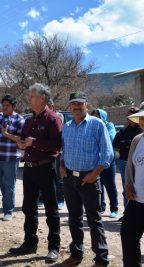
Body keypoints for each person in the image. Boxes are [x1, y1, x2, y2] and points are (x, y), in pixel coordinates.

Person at [9, 84, 62, 263]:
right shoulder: (29, 121)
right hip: (29, 169)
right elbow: (24, 141)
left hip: (46, 168)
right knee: (28, 208)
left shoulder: (53, 119)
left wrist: (34, 143)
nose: (29, 99)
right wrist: (21, 144)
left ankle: (54, 248)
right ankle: (29, 243)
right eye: (29, 96)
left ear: (43, 98)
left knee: (51, 209)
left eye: (32, 96)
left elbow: (56, 146)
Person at [60, 91, 113, 267]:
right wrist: (61, 165)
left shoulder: (97, 125)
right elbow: (64, 150)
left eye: (80, 104)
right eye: (73, 104)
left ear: (86, 105)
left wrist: (95, 173)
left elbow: (107, 153)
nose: (76, 107)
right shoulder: (67, 126)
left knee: (94, 219)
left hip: (89, 179)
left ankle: (101, 258)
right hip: (69, 178)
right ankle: (76, 254)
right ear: (69, 106)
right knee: (74, 218)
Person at [120, 107, 144, 267]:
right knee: (128, 235)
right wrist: (128, 184)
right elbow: (130, 167)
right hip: (136, 200)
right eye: (141, 118)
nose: (142, 122)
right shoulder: (138, 140)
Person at [91, 109, 118, 218]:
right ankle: (101, 207)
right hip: (96, 161)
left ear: (103, 116)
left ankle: (114, 209)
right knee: (99, 185)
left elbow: (110, 138)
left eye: (98, 116)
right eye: (94, 116)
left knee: (110, 185)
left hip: (108, 161)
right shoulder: (92, 126)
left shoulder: (109, 125)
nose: (96, 118)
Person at [113, 106, 142, 211]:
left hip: (138, 163)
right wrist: (127, 143)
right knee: (128, 187)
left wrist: (125, 143)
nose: (128, 117)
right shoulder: (123, 130)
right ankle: (127, 211)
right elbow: (115, 143)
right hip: (124, 161)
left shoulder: (140, 130)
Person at [47, 99, 65, 209]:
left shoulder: (58, 116)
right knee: (49, 176)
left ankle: (60, 199)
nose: (47, 106)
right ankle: (49, 198)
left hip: (58, 151)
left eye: (49, 104)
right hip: (48, 152)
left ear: (52, 105)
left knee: (59, 177)